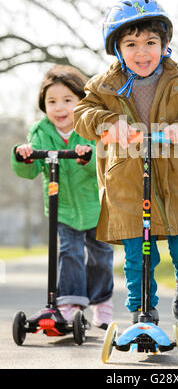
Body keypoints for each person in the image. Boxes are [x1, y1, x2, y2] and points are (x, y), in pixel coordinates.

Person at [73, 0, 178, 324]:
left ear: (165, 44)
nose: (141, 52)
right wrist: (108, 124)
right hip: (129, 184)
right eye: (131, 44)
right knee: (137, 257)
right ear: (117, 49)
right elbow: (82, 115)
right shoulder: (104, 86)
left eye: (150, 42)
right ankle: (141, 312)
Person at [11, 65, 114, 329]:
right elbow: (30, 170)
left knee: (101, 256)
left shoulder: (90, 128)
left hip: (96, 206)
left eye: (67, 100)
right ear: (43, 106)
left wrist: (87, 156)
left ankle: (101, 303)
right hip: (63, 208)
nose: (59, 108)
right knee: (70, 254)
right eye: (52, 101)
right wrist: (23, 155)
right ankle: (69, 305)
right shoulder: (40, 132)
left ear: (81, 101)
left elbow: (105, 165)